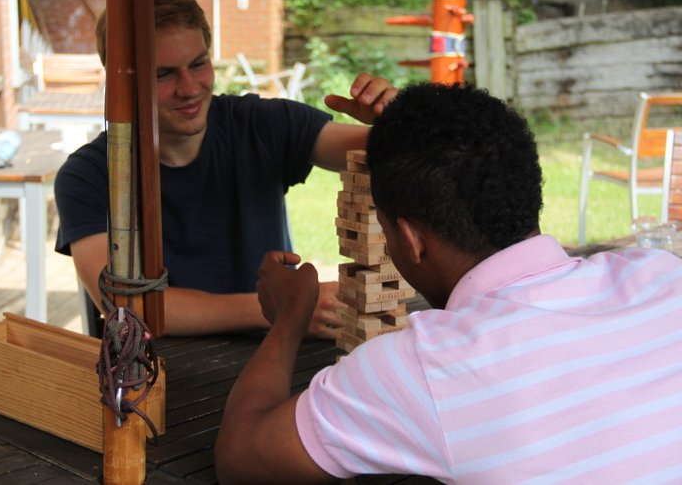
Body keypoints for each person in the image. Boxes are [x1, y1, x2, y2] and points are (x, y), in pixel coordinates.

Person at [215, 83, 682, 483]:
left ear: (413, 239)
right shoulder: (660, 275)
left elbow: (240, 458)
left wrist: (289, 319)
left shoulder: (426, 367)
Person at [54, 0, 398, 338]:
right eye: (164, 74)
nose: (189, 88)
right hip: (161, 375)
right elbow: (125, 306)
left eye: (198, 64)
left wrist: (397, 121)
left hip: (276, 357)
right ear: (121, 80)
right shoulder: (89, 176)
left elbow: (385, 153)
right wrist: (282, 309)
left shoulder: (258, 123)